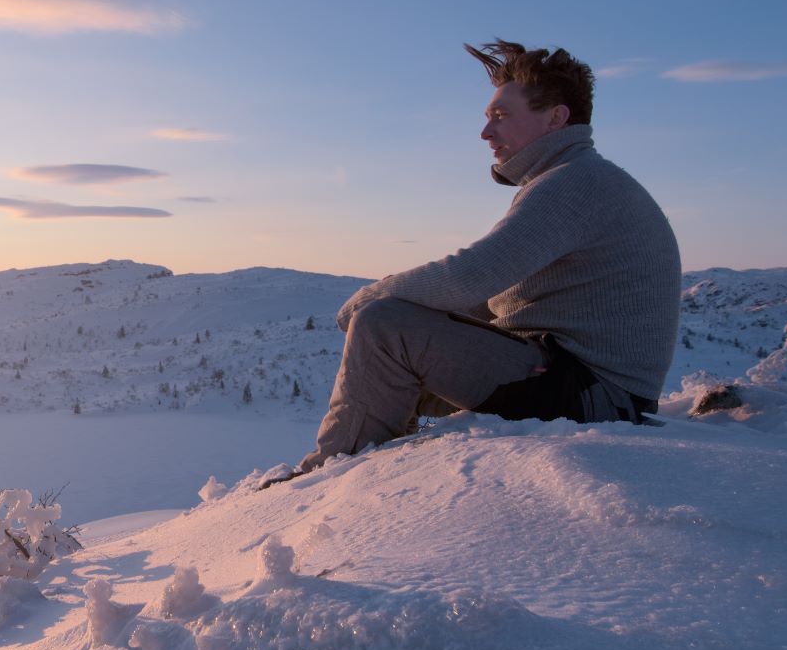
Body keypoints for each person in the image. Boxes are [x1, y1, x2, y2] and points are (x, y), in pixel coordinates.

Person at [273, 39, 680, 485]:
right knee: (385, 358)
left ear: (556, 118)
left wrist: (371, 298)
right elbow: (490, 296)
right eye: (488, 118)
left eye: (501, 117)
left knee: (383, 326)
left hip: (592, 394)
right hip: (583, 383)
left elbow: (470, 277)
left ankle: (330, 479)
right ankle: (376, 470)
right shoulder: (576, 178)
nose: (486, 133)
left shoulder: (574, 183)